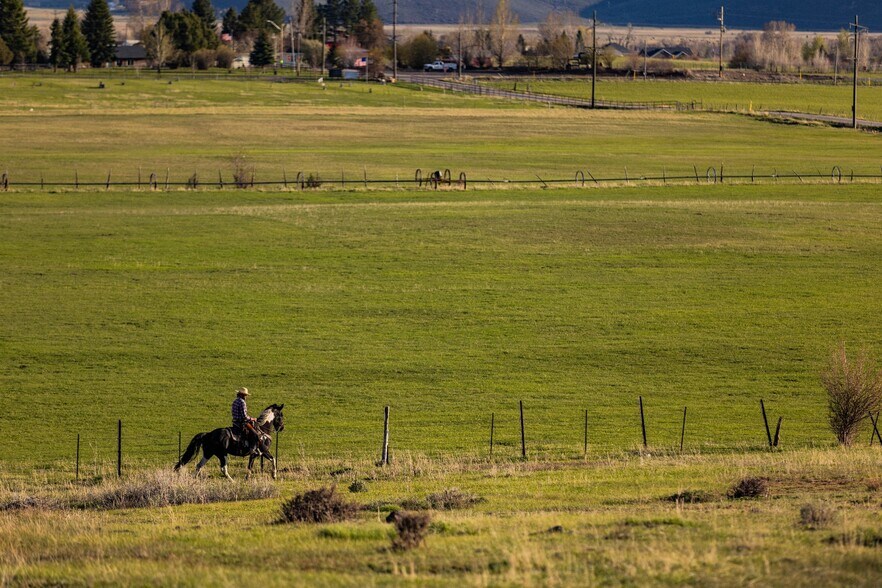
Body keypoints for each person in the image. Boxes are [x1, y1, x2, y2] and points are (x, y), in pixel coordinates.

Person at [231, 387, 259, 452]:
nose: (246, 397)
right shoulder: (242, 402)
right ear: (242, 395)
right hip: (241, 422)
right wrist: (252, 419)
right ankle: (252, 449)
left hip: (235, 422)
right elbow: (244, 416)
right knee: (255, 434)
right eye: (245, 395)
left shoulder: (235, 401)